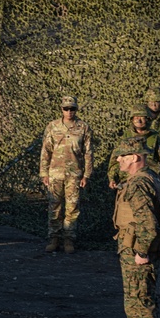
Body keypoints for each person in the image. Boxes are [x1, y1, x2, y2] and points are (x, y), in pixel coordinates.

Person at [110, 137, 160, 318]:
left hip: (138, 250)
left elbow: (148, 224)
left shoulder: (138, 183)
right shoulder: (152, 178)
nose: (119, 160)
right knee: (143, 297)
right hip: (140, 247)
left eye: (122, 156)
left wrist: (141, 252)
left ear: (134, 157)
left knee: (137, 301)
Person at [39, 96, 94, 254]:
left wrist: (86, 175)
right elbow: (46, 151)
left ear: (76, 109)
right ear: (61, 109)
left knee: (72, 207)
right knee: (54, 206)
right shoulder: (53, 126)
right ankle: (54, 238)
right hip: (55, 174)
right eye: (66, 108)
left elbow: (88, 153)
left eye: (72, 108)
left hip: (74, 174)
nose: (69, 111)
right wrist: (44, 173)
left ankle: (69, 239)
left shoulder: (83, 127)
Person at [108, 104, 160, 187]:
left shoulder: (155, 139)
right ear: (132, 119)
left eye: (142, 117)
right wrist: (112, 178)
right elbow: (114, 161)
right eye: (136, 117)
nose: (139, 120)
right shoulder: (124, 139)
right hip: (126, 181)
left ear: (147, 119)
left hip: (150, 181)